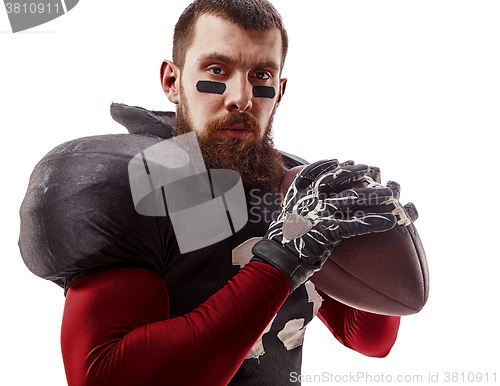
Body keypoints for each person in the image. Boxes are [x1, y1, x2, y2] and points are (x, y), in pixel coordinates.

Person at [19, 1, 403, 385]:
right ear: (172, 81)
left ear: (280, 90)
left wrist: (372, 233)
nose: (241, 97)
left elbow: (367, 339)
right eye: (217, 70)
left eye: (261, 74)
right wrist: (283, 260)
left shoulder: (293, 186)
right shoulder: (149, 178)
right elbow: (107, 377)